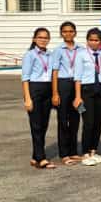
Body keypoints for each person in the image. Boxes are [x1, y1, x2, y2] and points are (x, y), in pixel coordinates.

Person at [22, 27, 57, 169]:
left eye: (46, 38)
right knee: (36, 125)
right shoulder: (29, 55)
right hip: (34, 89)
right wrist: (27, 98)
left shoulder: (50, 55)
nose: (43, 40)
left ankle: (35, 156)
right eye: (40, 37)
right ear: (34, 39)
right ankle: (41, 158)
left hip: (47, 89)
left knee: (44, 124)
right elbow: (25, 78)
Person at [51, 21, 84, 165]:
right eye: (65, 31)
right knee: (63, 120)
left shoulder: (81, 49)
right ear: (61, 33)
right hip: (63, 84)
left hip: (78, 85)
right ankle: (64, 153)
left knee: (76, 118)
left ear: (75, 32)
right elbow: (54, 72)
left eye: (71, 31)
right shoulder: (58, 50)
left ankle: (73, 151)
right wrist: (55, 93)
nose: (68, 34)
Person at [78, 28, 101, 165]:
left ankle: (93, 151)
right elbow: (77, 77)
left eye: (96, 40)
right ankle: (85, 153)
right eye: (91, 40)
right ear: (87, 41)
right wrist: (77, 96)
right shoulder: (81, 55)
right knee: (88, 122)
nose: (93, 42)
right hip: (86, 91)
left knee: (98, 122)